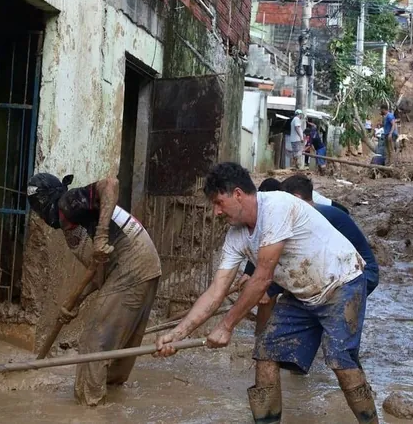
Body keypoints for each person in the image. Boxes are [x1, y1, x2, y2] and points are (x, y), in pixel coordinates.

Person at [154, 163, 379, 424]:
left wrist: (226, 326)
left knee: (341, 360)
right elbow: (216, 290)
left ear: (237, 194)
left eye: (218, 202)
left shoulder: (276, 207)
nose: (215, 212)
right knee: (266, 352)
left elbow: (262, 279)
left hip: (343, 282)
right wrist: (177, 334)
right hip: (302, 294)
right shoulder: (236, 236)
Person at [27, 173, 161, 406]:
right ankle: (113, 397)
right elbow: (99, 273)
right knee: (122, 339)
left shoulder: (67, 202)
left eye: (38, 210)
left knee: (92, 339)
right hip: (145, 263)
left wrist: (100, 237)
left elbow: (110, 183)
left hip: (132, 261)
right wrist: (75, 303)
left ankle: (90, 408)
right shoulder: (76, 223)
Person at [280, 174, 379, 296]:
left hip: (362, 273)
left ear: (296, 198)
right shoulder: (317, 213)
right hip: (346, 270)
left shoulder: (317, 216)